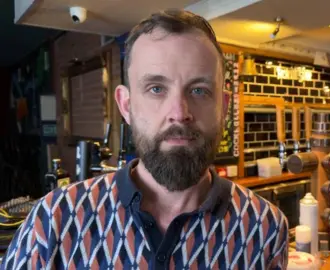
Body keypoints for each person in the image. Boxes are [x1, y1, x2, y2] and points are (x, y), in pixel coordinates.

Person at [1, 9, 288, 269]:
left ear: (223, 107)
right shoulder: (54, 221)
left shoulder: (265, 228)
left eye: (199, 90)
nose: (179, 113)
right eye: (156, 88)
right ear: (126, 105)